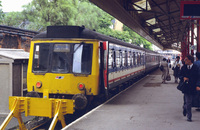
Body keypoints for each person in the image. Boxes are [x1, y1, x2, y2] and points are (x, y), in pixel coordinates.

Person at [180, 55, 198, 122]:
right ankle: (189, 117)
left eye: (186, 59)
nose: (184, 60)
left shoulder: (196, 67)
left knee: (191, 101)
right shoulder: (183, 67)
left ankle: (185, 107)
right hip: (186, 87)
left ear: (190, 60)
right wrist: (183, 78)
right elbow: (180, 75)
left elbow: (198, 77)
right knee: (189, 102)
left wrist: (198, 85)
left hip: (193, 86)